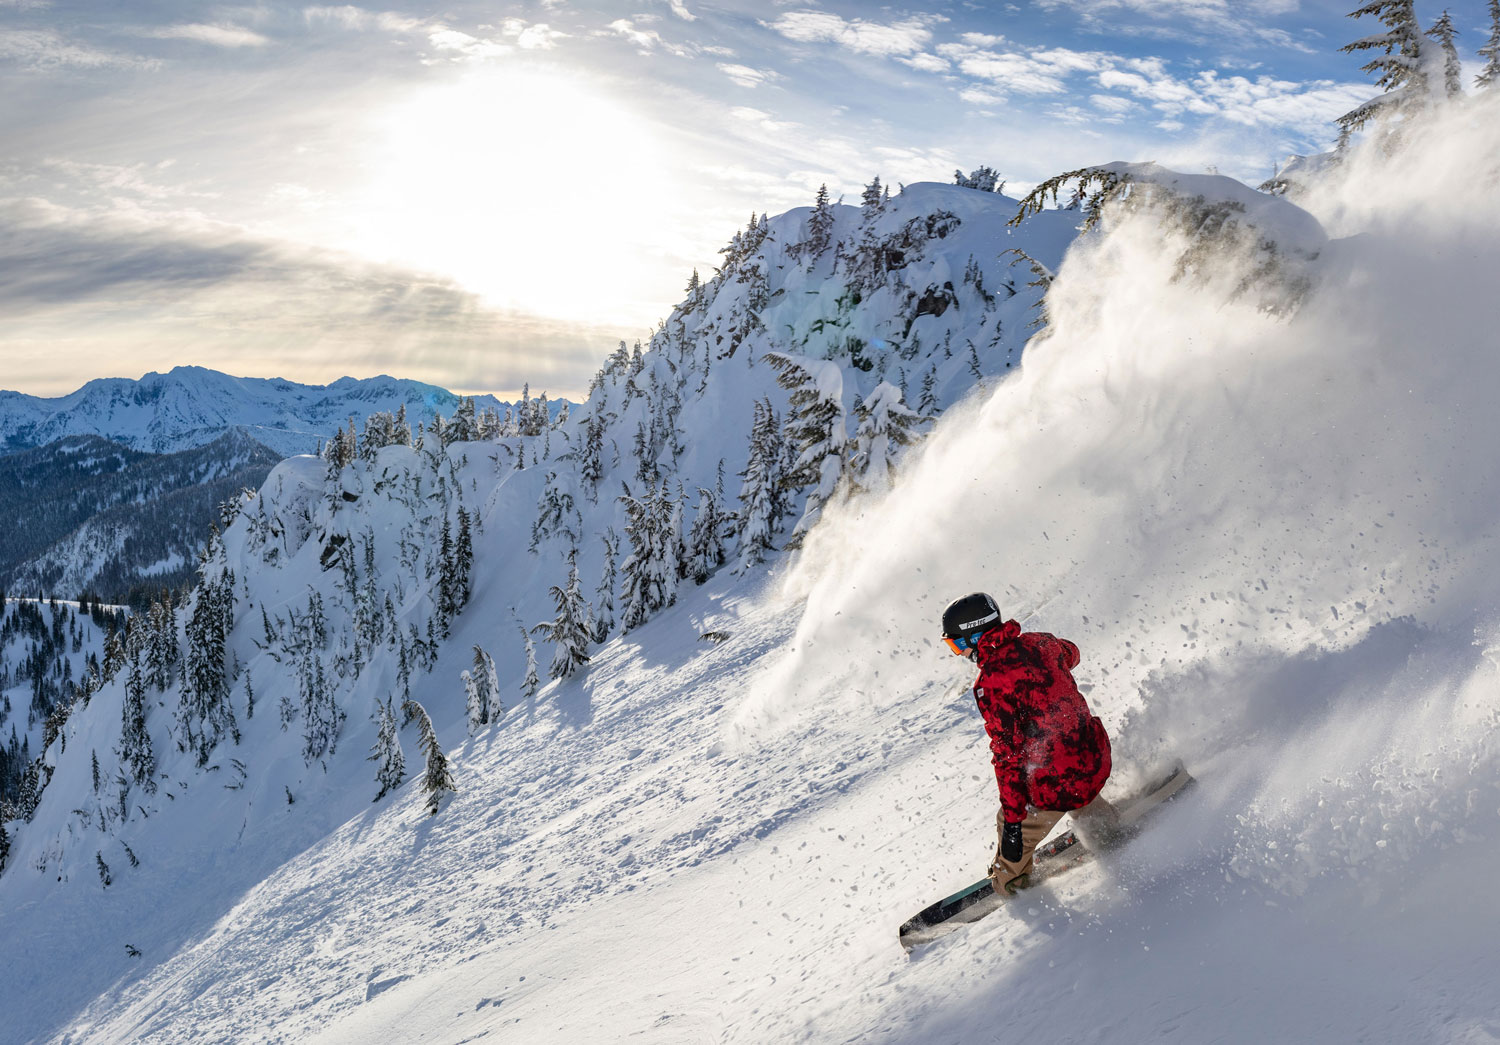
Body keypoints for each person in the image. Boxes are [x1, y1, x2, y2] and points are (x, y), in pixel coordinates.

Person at [941, 592, 1120, 895]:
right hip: (1095, 757)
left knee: (1021, 813)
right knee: (1069, 767)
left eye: (956, 644)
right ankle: (1104, 828)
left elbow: (1008, 758)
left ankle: (1012, 883)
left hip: (1060, 782)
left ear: (973, 637)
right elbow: (1071, 653)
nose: (958, 653)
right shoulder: (1041, 642)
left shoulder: (991, 683)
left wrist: (1012, 825)